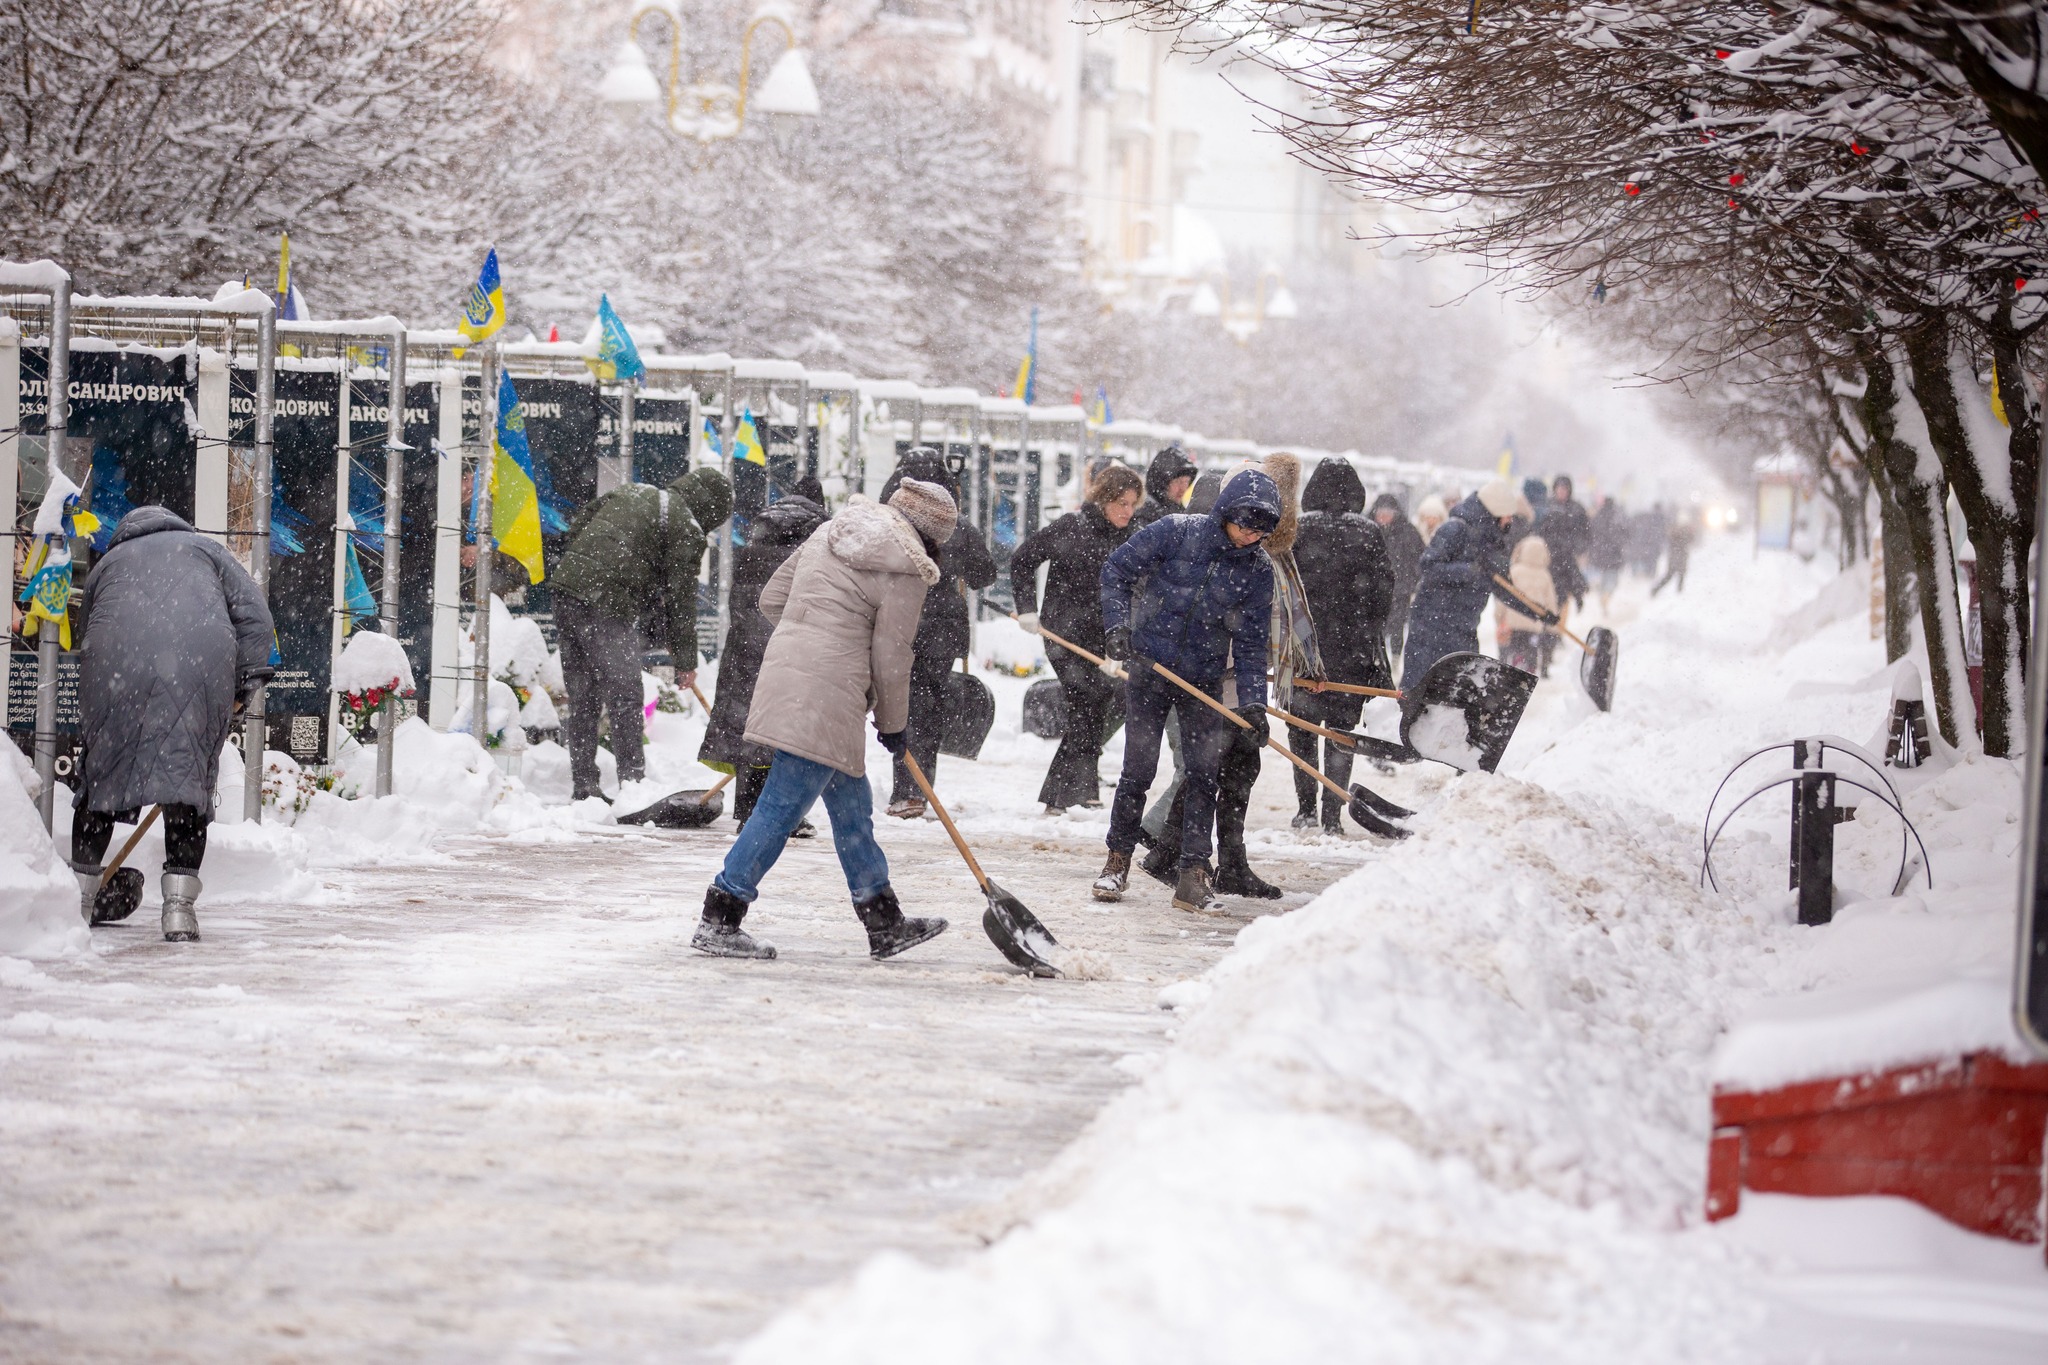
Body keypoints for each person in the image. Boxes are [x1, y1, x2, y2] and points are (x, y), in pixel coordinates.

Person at [692, 480, 961, 961]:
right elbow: (892, 655)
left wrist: (810, 640)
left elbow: (772, 599)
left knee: (851, 807)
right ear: (933, 535)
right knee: (780, 805)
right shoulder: (910, 569)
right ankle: (721, 915)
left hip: (791, 674)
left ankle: (884, 921)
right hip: (829, 692)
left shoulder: (833, 530)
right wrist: (894, 723)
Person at [69, 506, 274, 941]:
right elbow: (256, 619)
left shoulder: (107, 562)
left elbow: (87, 629)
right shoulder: (205, 549)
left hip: (114, 668)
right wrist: (243, 685)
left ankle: (79, 903)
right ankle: (179, 913)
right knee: (186, 786)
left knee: (101, 781)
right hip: (197, 668)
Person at [1094, 465, 1280, 914]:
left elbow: (1253, 643)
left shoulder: (1257, 570)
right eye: (1244, 524)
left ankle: (1193, 875)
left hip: (1204, 681)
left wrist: (1255, 705)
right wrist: (1119, 627)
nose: (1250, 536)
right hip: (1150, 669)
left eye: (1261, 529)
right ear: (1224, 512)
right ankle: (1117, 861)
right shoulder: (1176, 532)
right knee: (1139, 768)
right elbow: (1115, 570)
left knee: (1203, 776)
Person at [553, 466, 734, 804]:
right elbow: (681, 602)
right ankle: (633, 787)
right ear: (709, 511)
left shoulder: (633, 490)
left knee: (584, 697)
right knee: (625, 695)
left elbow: (579, 525)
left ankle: (584, 787)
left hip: (567, 589)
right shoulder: (686, 526)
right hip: (605, 599)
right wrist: (685, 662)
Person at [698, 477, 830, 830]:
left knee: (751, 728)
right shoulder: (814, 552)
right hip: (788, 650)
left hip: (744, 650)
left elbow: (737, 604)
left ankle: (748, 813)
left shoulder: (751, 549)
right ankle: (783, 815)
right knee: (787, 734)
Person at [1011, 462, 1141, 813]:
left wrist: (1121, 640)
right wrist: (1026, 609)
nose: (1128, 512)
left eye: (1133, 505)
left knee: (1096, 707)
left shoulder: (1131, 538)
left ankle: (1082, 790)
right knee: (1086, 702)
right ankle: (1060, 796)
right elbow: (1022, 560)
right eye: (1122, 504)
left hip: (1105, 640)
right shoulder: (1072, 527)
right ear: (1104, 500)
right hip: (1062, 635)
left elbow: (1139, 591)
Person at [879, 448, 996, 820]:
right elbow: (985, 575)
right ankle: (915, 790)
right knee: (925, 711)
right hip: (940, 632)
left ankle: (904, 789)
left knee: (898, 707)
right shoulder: (955, 526)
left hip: (895, 624)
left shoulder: (886, 522)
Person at [1292, 462, 1395, 833]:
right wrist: (1366, 628)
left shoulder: (1300, 529)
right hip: (1350, 650)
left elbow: (1284, 587)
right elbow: (1385, 591)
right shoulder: (1368, 533)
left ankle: (1305, 809)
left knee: (1301, 727)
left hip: (1304, 646)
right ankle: (1331, 816)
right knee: (1340, 734)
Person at [1401, 479, 1553, 690]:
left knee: (1458, 695)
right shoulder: (1454, 529)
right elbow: (1427, 566)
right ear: (1495, 511)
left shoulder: (1491, 544)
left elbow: (1506, 590)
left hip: (1463, 630)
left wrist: (1539, 612)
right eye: (1507, 515)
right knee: (1419, 690)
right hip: (1431, 627)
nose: (1510, 520)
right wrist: (1467, 571)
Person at [1371, 492, 1424, 660]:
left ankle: (1394, 660)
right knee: (1373, 629)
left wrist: (1410, 582)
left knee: (1396, 628)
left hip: (1399, 591)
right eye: (1380, 514)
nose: (1383, 518)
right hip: (1372, 591)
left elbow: (1420, 560)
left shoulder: (1408, 532)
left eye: (1387, 514)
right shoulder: (1369, 530)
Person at [1499, 535, 1562, 676]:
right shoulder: (1545, 575)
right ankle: (1529, 670)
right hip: (1534, 623)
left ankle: (1513, 667)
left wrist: (1499, 616)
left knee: (1513, 647)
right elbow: (1550, 602)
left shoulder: (1514, 571)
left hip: (1513, 622)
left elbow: (1504, 597)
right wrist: (1553, 623)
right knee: (1531, 649)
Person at [1543, 475, 1592, 612]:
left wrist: (1577, 547)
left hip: (1567, 558)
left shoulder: (1577, 509)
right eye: (1559, 489)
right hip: (1548, 557)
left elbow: (1586, 533)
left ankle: (1557, 627)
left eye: (1564, 489)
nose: (1561, 492)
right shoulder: (1547, 507)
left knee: (1564, 593)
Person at [1132, 442, 1197, 529]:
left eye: (1187, 482)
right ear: (1162, 482)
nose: (1183, 488)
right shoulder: (1145, 515)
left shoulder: (1180, 513)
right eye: (1178, 482)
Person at [1588, 496, 1627, 614]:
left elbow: (1591, 533)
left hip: (1600, 554)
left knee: (1603, 578)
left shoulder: (1598, 516)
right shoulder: (1617, 517)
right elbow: (1623, 534)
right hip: (1614, 555)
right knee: (1612, 580)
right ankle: (1607, 595)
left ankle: (1602, 595)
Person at [1654, 506, 1699, 595]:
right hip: (1676, 554)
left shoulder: (1685, 529)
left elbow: (1691, 540)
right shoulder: (1674, 528)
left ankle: (1679, 592)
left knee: (1680, 575)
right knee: (1671, 575)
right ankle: (1657, 589)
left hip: (1681, 554)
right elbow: (1672, 538)